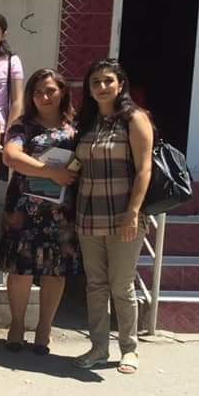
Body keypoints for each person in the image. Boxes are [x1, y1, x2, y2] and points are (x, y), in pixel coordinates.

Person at [73, 59, 154, 374]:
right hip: (88, 215)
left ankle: (129, 349)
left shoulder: (134, 118)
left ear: (120, 85)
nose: (102, 87)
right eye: (95, 82)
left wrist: (133, 212)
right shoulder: (88, 122)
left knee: (121, 285)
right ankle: (98, 348)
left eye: (108, 80)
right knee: (95, 285)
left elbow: (144, 169)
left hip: (124, 216)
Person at [0, 68, 80, 356]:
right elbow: (11, 156)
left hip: (61, 211)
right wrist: (50, 172)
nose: (44, 97)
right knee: (20, 269)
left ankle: (44, 329)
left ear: (62, 92)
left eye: (50, 91)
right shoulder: (23, 126)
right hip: (24, 208)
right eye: (38, 92)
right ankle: (17, 325)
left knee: (55, 271)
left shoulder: (76, 128)